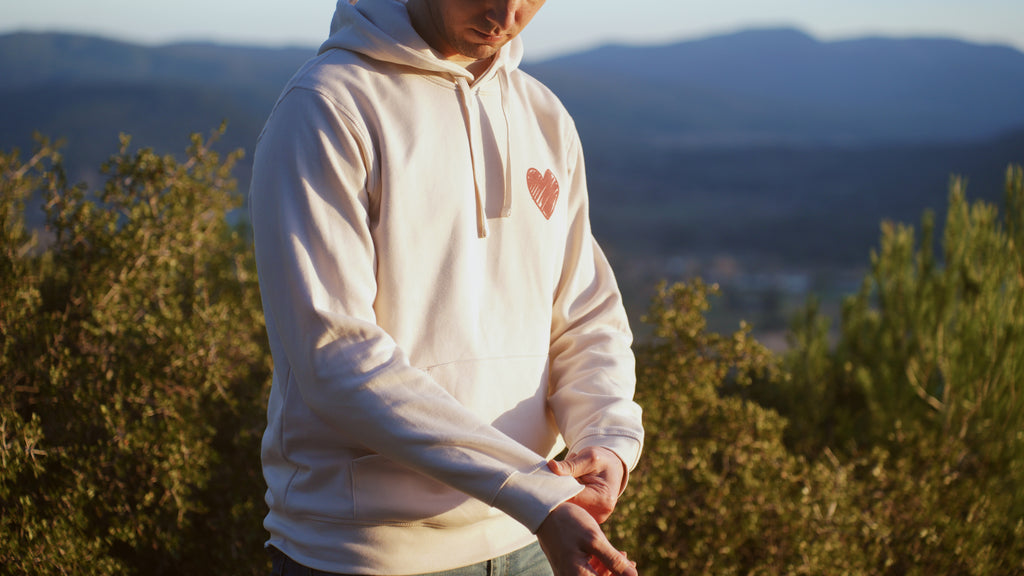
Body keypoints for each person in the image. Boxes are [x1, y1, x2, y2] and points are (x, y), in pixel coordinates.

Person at [248, 0, 644, 574]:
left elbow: (584, 314)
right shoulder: (327, 108)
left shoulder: (543, 115)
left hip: (533, 540)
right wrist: (530, 490)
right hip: (368, 554)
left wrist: (606, 439)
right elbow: (335, 355)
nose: (506, 12)